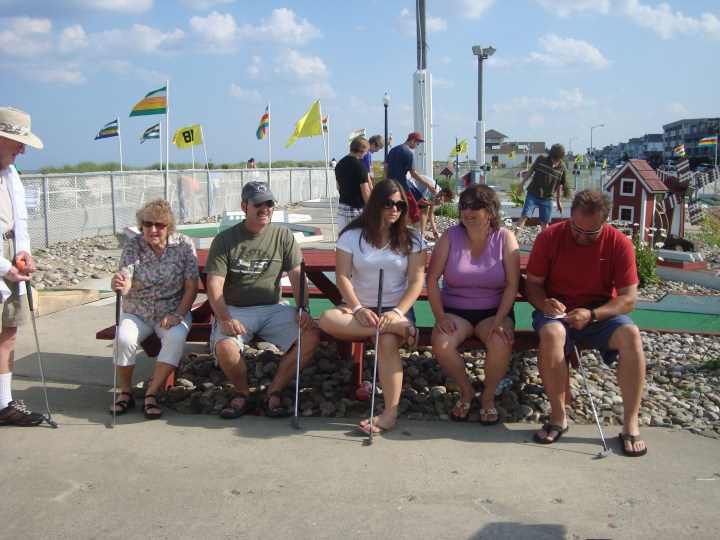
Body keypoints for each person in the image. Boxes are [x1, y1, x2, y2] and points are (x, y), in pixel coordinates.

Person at [525, 189, 648, 457]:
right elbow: (532, 284)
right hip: (558, 310)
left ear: (605, 222)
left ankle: (630, 423)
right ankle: (558, 417)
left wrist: (592, 314)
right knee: (552, 335)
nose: (581, 236)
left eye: (590, 233)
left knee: (631, 335)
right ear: (570, 217)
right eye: (576, 228)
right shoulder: (549, 237)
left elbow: (628, 299)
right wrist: (544, 303)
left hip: (599, 312)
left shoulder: (619, 243)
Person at [319, 180, 426, 435]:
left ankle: (390, 413)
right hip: (359, 306)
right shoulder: (351, 236)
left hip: (396, 308)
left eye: (400, 205)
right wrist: (358, 309)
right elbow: (342, 276)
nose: (394, 209)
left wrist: (396, 313)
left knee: (386, 343)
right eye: (388, 203)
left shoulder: (412, 238)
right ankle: (399, 329)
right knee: (326, 319)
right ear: (375, 203)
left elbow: (416, 282)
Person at [205, 181, 320, 419]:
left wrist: (304, 309)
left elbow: (297, 276)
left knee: (310, 335)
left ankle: (273, 390)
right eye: (258, 204)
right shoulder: (225, 239)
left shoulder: (283, 235)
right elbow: (214, 285)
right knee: (225, 347)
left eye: (269, 203)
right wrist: (225, 318)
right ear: (244, 206)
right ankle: (242, 392)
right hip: (236, 309)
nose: (264, 208)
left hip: (273, 308)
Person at [426, 185, 520, 425]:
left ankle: (488, 397)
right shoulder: (450, 236)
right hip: (455, 311)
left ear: (490, 210)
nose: (467, 211)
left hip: (494, 312)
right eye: (464, 206)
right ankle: (466, 391)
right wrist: (440, 317)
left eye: (475, 206)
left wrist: (500, 319)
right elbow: (432, 279)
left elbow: (512, 283)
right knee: (441, 343)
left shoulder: (505, 237)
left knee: (501, 342)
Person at [110, 199, 199, 419]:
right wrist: (119, 284)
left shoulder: (184, 245)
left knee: (175, 337)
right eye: (147, 224)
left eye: (159, 225)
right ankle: (126, 391)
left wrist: (178, 314)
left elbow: (191, 287)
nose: (153, 229)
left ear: (169, 226)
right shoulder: (133, 246)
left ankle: (152, 392)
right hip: (137, 310)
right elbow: (126, 281)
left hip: (172, 310)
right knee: (123, 339)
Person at [0, 107, 46, 427]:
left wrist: (24, 251)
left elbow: (21, 221)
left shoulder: (11, 172)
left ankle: (3, 403)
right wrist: (3, 266)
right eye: (18, 143)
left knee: (9, 330)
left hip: (10, 253)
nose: (22, 150)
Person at [384, 132, 437, 225]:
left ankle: (394, 227)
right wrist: (428, 186)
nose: (417, 146)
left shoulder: (393, 150)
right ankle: (412, 231)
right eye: (417, 143)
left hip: (390, 185)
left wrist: (387, 181)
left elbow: (386, 168)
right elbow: (413, 173)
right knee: (413, 209)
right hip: (402, 185)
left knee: (392, 207)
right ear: (412, 140)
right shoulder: (408, 152)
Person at [515, 143, 567, 236]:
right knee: (524, 216)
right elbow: (530, 171)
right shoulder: (541, 158)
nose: (554, 162)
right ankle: (514, 237)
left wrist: (558, 201)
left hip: (547, 198)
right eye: (553, 159)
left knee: (545, 222)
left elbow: (560, 184)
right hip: (533, 193)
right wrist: (521, 185)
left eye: (557, 160)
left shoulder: (562, 167)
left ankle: (544, 242)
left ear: (560, 158)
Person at [335, 137, 371, 231]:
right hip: (356, 208)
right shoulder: (360, 166)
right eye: (366, 151)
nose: (366, 153)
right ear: (361, 150)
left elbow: (338, 186)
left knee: (343, 236)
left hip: (342, 206)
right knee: (359, 236)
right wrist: (371, 207)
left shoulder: (339, 164)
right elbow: (365, 190)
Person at [407, 174, 453, 241]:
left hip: (418, 188)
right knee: (424, 208)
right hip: (411, 185)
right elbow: (420, 201)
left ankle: (422, 235)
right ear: (444, 194)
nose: (445, 202)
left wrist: (434, 230)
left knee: (426, 208)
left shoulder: (438, 194)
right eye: (446, 200)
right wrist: (435, 203)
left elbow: (431, 213)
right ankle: (421, 235)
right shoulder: (433, 189)